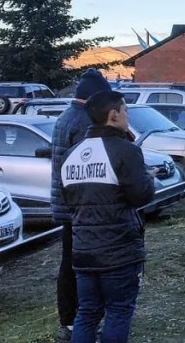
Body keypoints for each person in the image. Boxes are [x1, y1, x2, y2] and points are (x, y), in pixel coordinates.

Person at [61, 90, 154, 343]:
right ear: (113, 115)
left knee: (87, 312)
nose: (127, 117)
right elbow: (142, 196)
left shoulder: (71, 154)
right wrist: (148, 178)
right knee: (118, 310)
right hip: (118, 249)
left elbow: (68, 199)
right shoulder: (125, 151)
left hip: (83, 249)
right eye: (126, 111)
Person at [50, 68, 111, 343]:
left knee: (71, 261)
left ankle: (72, 320)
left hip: (66, 203)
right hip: (77, 206)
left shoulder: (66, 117)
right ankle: (75, 321)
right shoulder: (82, 121)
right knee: (78, 265)